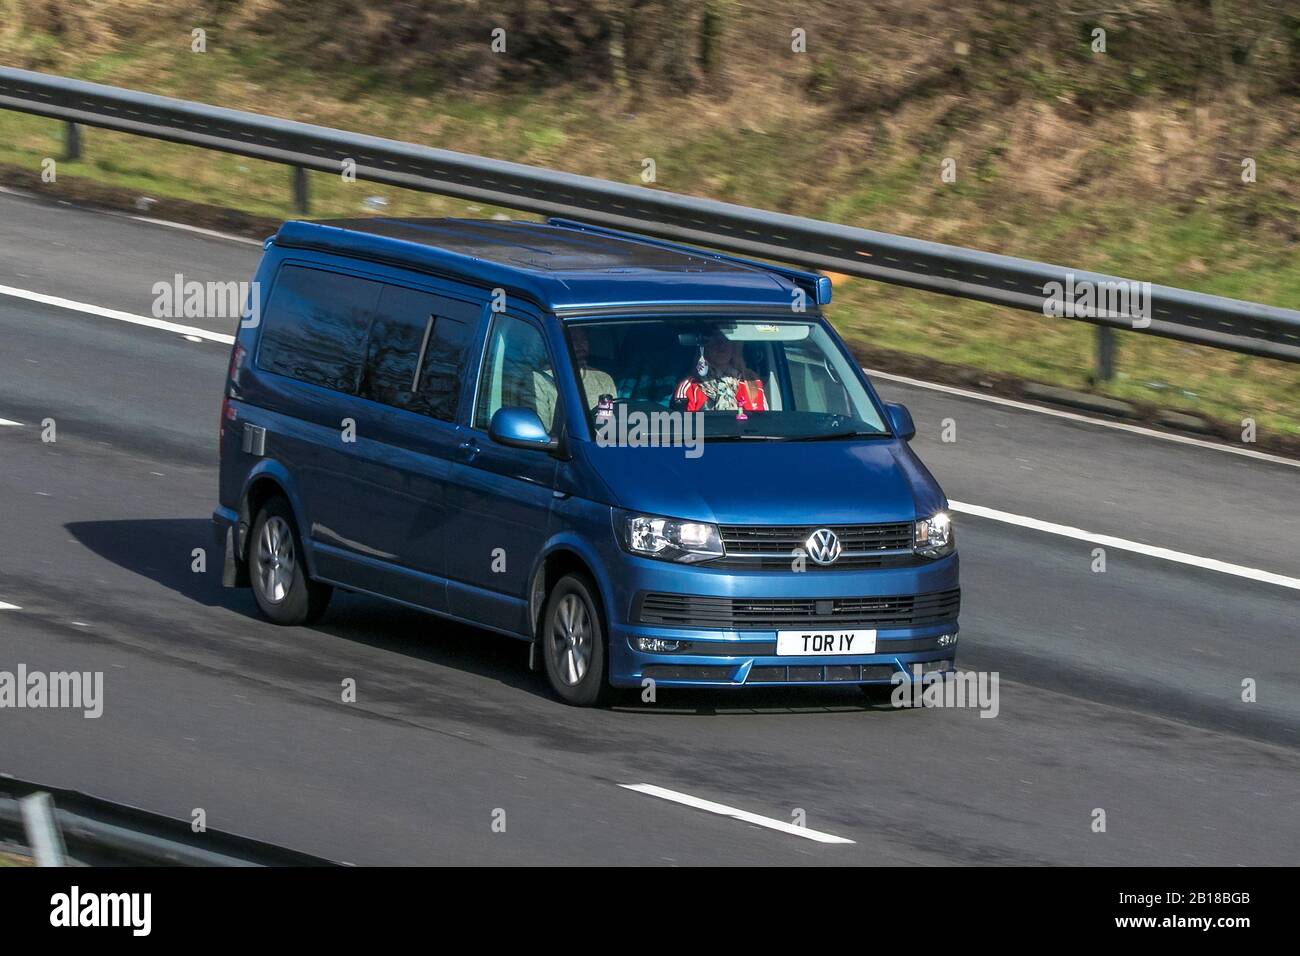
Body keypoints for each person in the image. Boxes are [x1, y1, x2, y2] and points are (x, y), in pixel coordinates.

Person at [533, 327, 617, 430]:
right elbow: (541, 431)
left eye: (584, 339)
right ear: (559, 344)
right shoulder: (540, 378)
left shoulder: (603, 380)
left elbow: (606, 424)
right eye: (573, 340)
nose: (581, 345)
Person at [672, 330, 767, 412]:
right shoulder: (689, 387)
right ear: (704, 348)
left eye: (726, 339)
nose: (721, 345)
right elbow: (681, 427)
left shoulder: (751, 382)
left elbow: (763, 423)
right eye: (714, 340)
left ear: (734, 346)